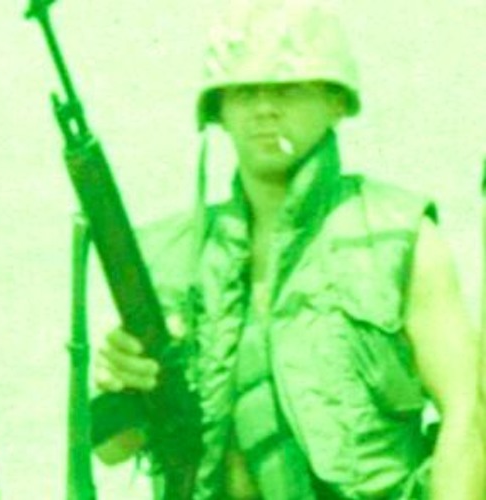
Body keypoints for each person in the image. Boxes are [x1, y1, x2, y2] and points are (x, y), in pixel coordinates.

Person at [93, 1, 485, 498]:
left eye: (288, 88)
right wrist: (123, 381)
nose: (264, 109)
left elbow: (467, 415)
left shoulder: (399, 236)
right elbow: (114, 448)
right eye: (244, 92)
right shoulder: (170, 257)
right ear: (219, 110)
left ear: (336, 101)